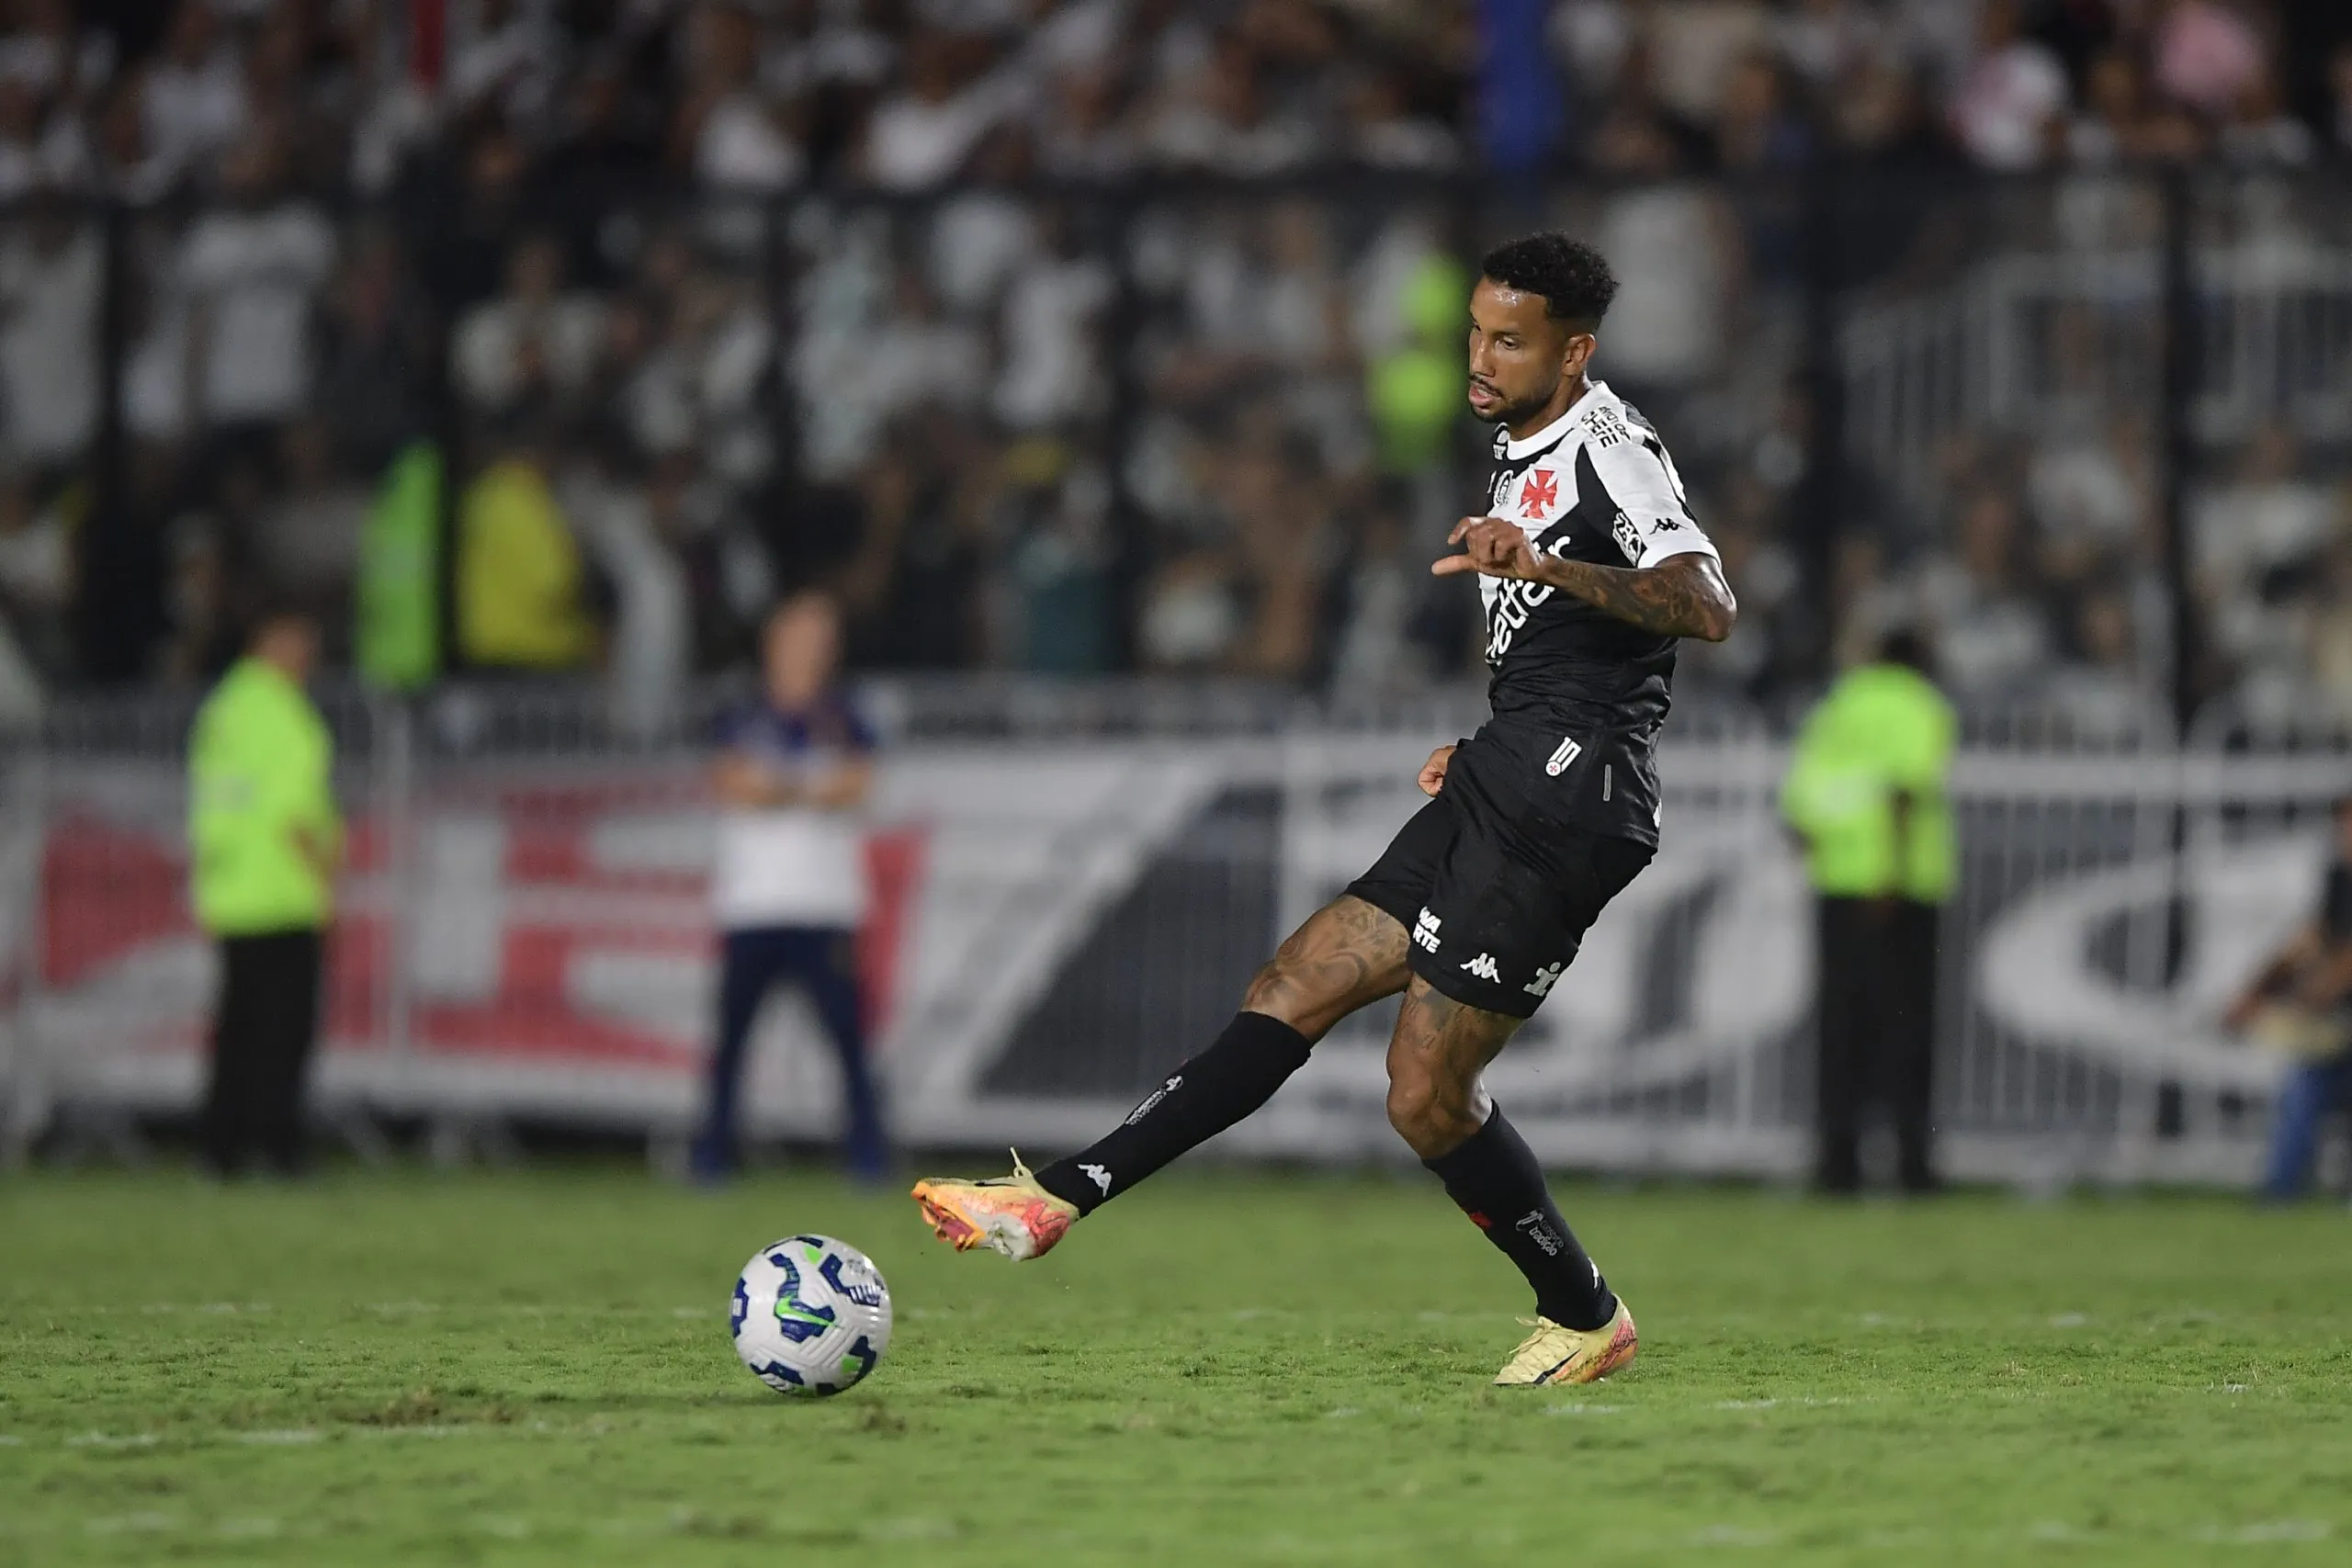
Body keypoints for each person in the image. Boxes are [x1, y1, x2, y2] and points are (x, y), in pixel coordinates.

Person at [912, 233, 1737, 1387]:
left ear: (1575, 350)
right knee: (1292, 985)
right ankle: (1058, 1196)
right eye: (1474, 332)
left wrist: (1547, 573)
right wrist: (1492, 733)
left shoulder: (1610, 451)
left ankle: (1587, 1312)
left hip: (1565, 802)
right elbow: (1579, 652)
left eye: (1510, 340)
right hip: (1511, 765)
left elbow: (1703, 605)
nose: (1481, 358)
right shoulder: (1523, 444)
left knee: (1424, 1099)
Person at [694, 591, 888, 1183]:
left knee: (848, 1042)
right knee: (731, 1043)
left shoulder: (846, 715)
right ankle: (712, 1159)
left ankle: (868, 1158)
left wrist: (774, 788)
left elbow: (855, 785)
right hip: (751, 905)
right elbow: (730, 784)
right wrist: (807, 789)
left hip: (825, 905)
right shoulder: (743, 713)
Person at [1780, 628, 1957, 1196]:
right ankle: (1911, 1165)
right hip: (1898, 889)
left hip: (1837, 885)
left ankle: (1838, 1164)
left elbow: (1801, 806)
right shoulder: (1919, 705)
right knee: (1905, 1032)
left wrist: (1833, 858)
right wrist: (1890, 873)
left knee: (1842, 1030)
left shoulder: (1838, 704)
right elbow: (1905, 790)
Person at [187, 606, 342, 1177]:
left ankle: (219, 1149)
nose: (310, 653)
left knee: (236, 1029)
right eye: (302, 639)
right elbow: (292, 812)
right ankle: (279, 1149)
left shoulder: (223, 708)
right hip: (281, 890)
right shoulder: (282, 713)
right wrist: (326, 877)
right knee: (284, 1031)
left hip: (230, 890)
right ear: (269, 640)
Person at [2224, 795, 2352, 1202]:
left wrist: (2305, 1000)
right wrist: (2256, 990)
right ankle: (2281, 1193)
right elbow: (2309, 942)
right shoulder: (2339, 878)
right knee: (2303, 1090)